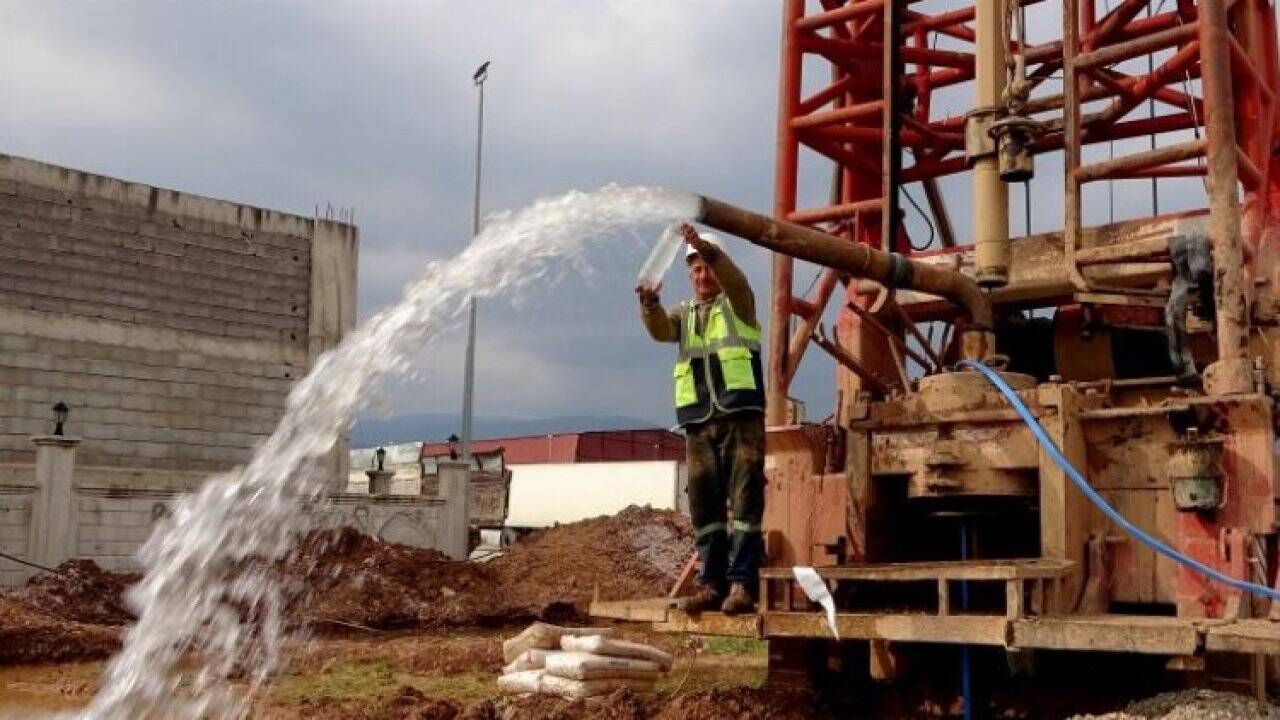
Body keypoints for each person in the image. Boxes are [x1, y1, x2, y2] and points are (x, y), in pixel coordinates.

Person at [635, 223, 765, 615]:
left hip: (739, 417)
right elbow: (660, 332)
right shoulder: (685, 314)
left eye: (707, 266)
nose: (702, 274)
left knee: (744, 502)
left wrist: (703, 246)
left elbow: (736, 279)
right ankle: (712, 585)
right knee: (705, 509)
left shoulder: (739, 304)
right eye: (694, 268)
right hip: (699, 423)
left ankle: (742, 586)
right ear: (688, 275)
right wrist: (650, 304)